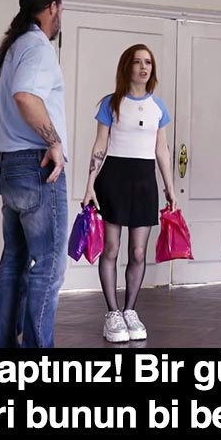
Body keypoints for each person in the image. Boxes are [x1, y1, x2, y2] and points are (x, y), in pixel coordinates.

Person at [0, 0, 68, 348]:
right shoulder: (37, 47)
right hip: (38, 167)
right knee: (48, 266)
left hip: (8, 165)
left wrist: (11, 145)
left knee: (13, 262)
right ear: (52, 8)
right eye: (60, 10)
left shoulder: (5, 51)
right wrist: (54, 143)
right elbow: (26, 97)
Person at [83, 44, 178, 343]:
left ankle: (130, 311)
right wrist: (89, 184)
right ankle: (112, 314)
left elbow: (162, 150)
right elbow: (100, 145)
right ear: (127, 67)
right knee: (111, 248)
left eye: (148, 62)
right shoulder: (111, 103)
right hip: (113, 179)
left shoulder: (158, 107)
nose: (143, 67)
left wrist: (170, 188)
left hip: (144, 181)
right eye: (137, 62)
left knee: (138, 252)